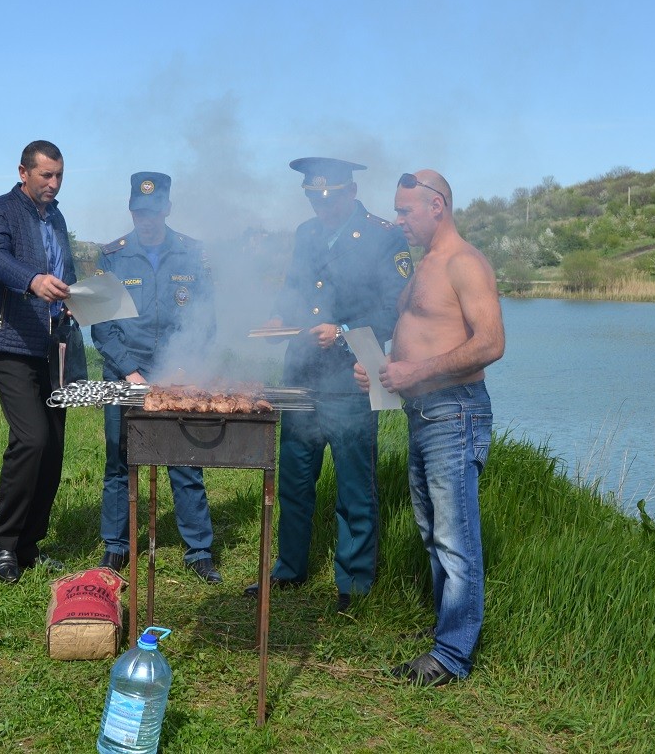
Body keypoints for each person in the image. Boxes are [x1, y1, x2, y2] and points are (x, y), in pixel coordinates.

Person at [354, 169, 505, 686]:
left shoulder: (465, 263)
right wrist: (381, 366)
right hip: (424, 413)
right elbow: (418, 339)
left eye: (406, 211)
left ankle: (452, 656)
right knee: (433, 532)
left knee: (455, 536)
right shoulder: (423, 269)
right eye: (395, 211)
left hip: (455, 411)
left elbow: (490, 344)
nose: (399, 221)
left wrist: (414, 371)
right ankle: (447, 637)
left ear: (437, 205)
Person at [245, 157, 411, 613]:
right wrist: (279, 319)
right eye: (315, 198)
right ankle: (289, 570)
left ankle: (354, 583)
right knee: (295, 479)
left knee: (355, 483)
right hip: (300, 375)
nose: (323, 205)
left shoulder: (383, 235)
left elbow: (393, 310)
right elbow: (294, 292)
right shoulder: (306, 233)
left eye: (331, 197)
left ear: (351, 191)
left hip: (350, 376)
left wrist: (340, 331)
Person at [91, 172, 223, 584]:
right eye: (138, 211)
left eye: (153, 211)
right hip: (124, 373)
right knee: (119, 460)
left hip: (177, 371)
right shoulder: (111, 256)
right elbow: (100, 324)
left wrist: (184, 367)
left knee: (184, 460)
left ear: (166, 209)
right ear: (131, 210)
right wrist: (130, 371)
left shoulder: (192, 254)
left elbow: (206, 320)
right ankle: (116, 545)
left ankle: (199, 551)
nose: (146, 219)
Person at [0, 139, 86, 584]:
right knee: (33, 439)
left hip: (55, 342)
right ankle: (3, 541)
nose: (54, 185)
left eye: (59, 176)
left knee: (54, 447)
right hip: (11, 341)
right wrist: (33, 280)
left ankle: (30, 544)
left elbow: (65, 269)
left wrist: (76, 296)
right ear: (23, 172)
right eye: (46, 176)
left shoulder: (56, 216)